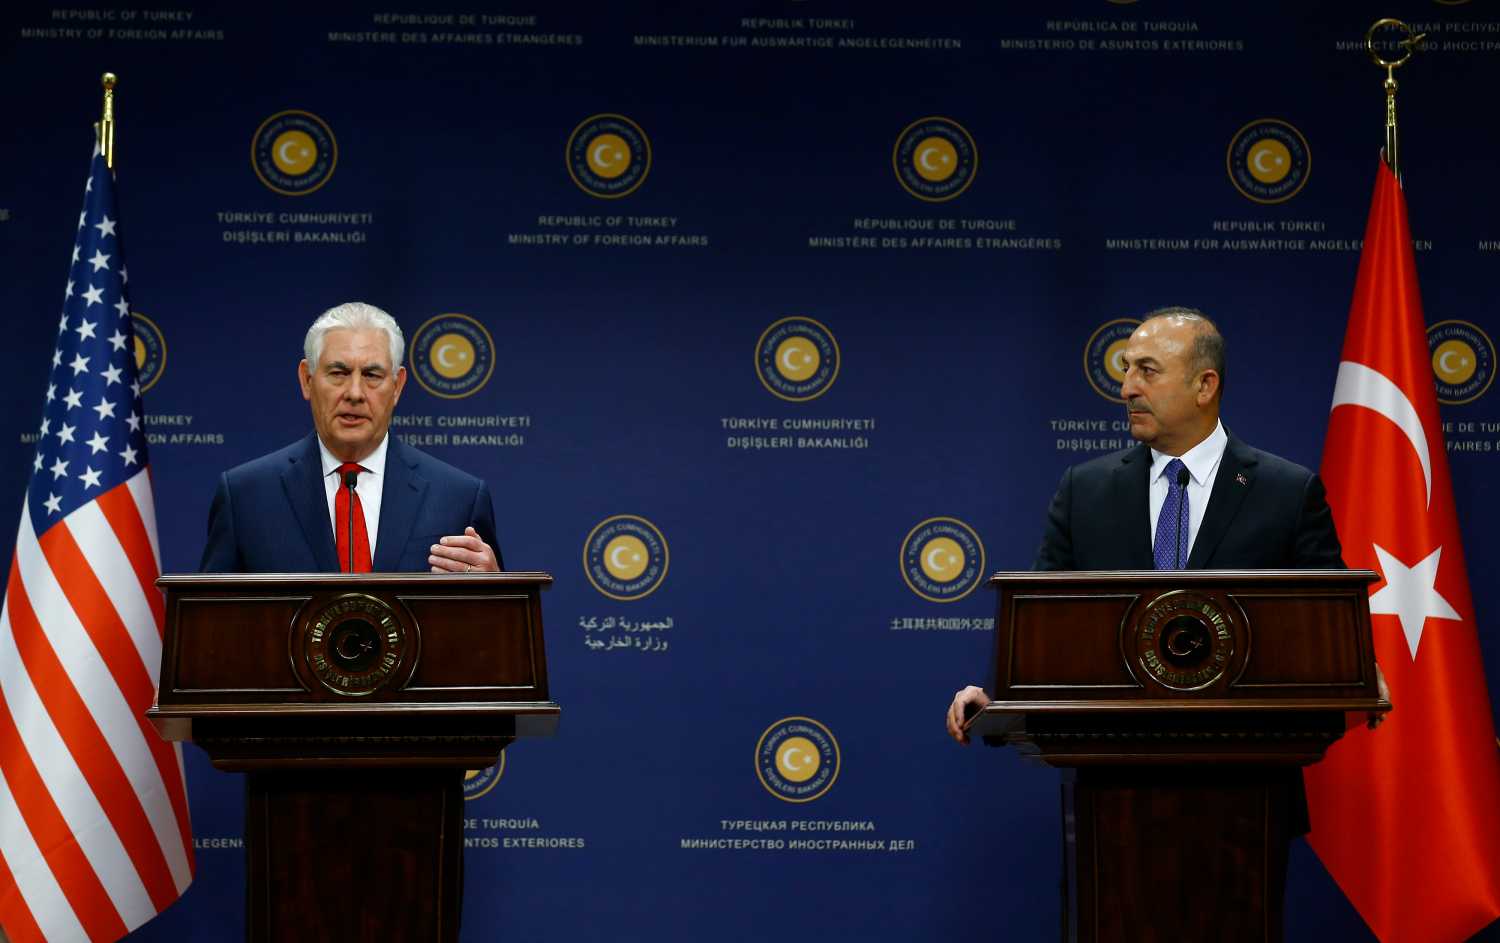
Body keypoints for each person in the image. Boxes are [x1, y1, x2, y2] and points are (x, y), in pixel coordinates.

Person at [946, 306, 1350, 742]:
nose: (1126, 389)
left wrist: (1355, 666)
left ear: (1204, 385)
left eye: (1147, 371)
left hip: (1249, 756)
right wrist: (998, 695)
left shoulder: (1287, 492)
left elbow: (1326, 631)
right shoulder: (1085, 490)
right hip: (1112, 758)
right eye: (1125, 370)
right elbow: (1044, 620)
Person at [199, 301, 501, 574]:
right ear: (307, 380)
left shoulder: (458, 497)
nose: (355, 393)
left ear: (397, 386)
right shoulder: (246, 496)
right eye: (338, 373)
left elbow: (494, 626)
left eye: (372, 375)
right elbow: (210, 623)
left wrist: (496, 593)